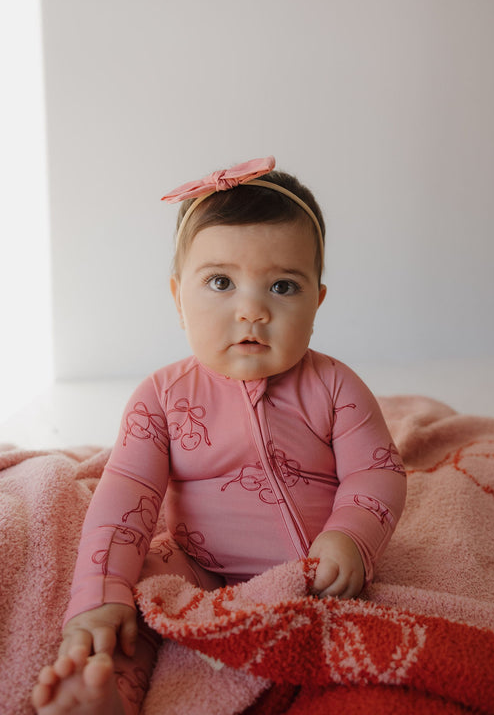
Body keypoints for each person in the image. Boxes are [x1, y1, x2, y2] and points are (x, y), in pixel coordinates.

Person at [32, 156, 407, 715]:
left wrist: (351, 537)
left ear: (317, 302)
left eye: (282, 285)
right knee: (141, 598)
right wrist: (99, 596)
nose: (252, 310)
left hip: (317, 577)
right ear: (179, 296)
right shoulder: (160, 398)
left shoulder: (335, 387)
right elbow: (126, 497)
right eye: (220, 282)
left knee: (373, 648)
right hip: (200, 571)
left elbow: (376, 471)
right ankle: (108, 690)